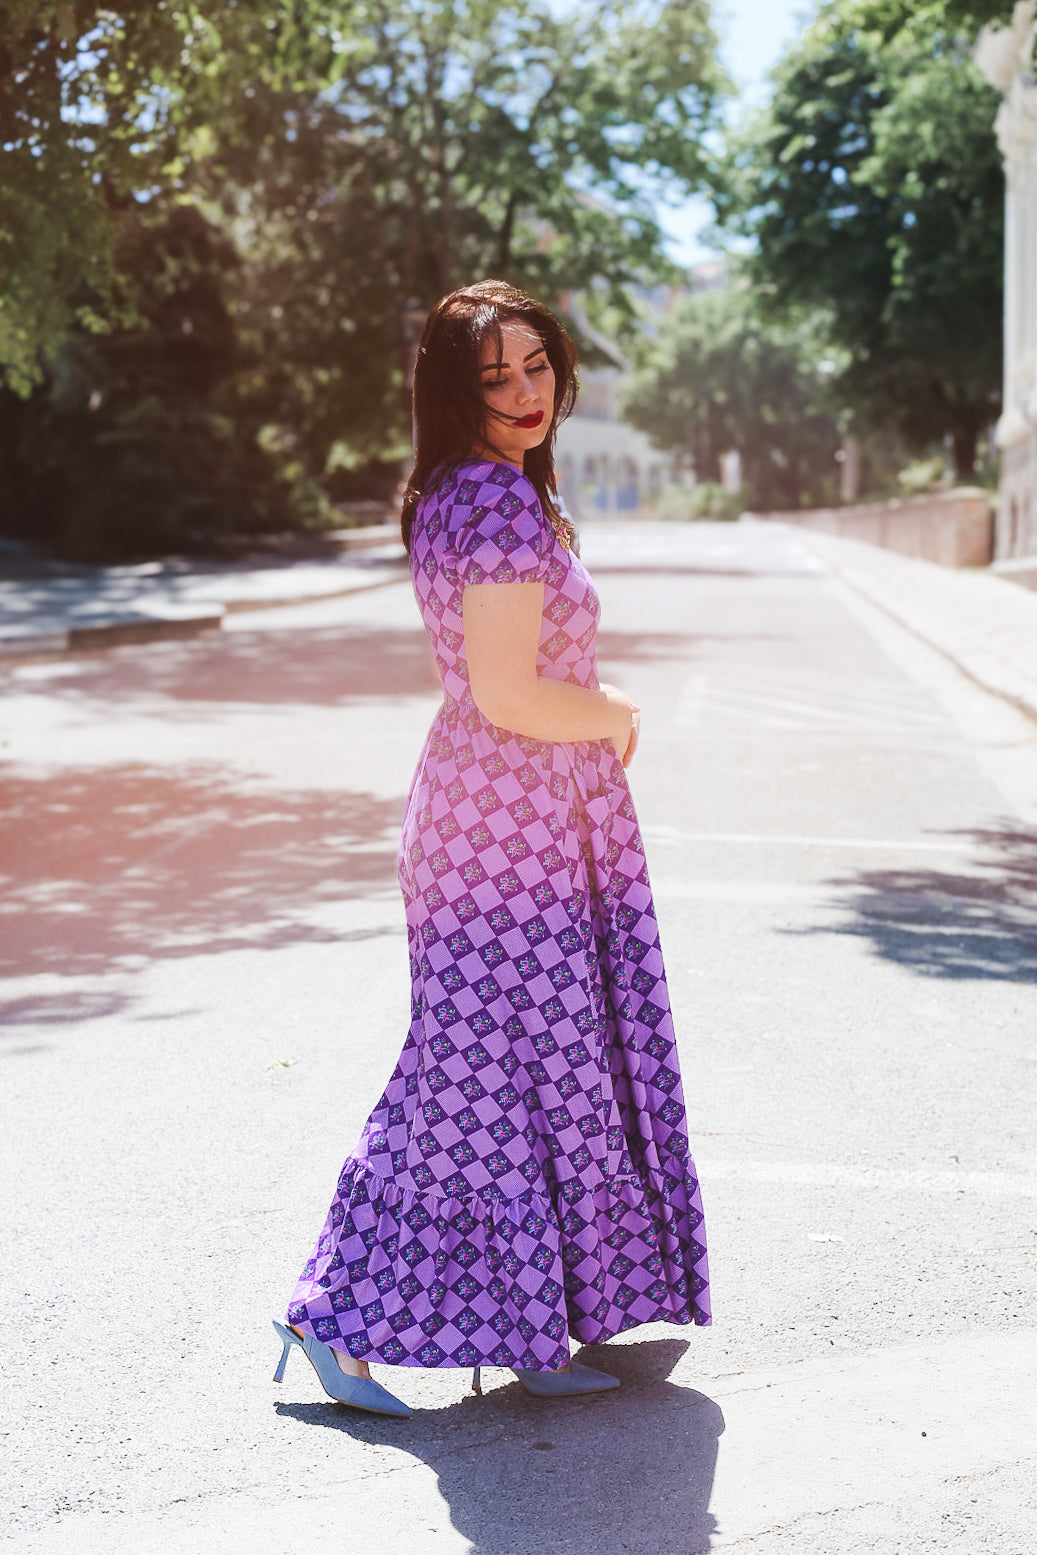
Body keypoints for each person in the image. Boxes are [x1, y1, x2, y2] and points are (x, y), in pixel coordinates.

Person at [273, 279, 710, 1418]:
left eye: (535, 366)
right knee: (468, 1084)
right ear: (451, 393)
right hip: (505, 835)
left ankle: (528, 1317)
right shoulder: (500, 507)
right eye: (493, 376)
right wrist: (612, 715)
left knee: (524, 1083)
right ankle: (324, 1319)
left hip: (503, 822)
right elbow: (512, 692)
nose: (524, 393)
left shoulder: (475, 494)